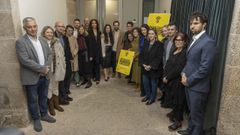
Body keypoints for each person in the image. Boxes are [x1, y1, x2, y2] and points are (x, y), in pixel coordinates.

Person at [178, 12, 217, 135]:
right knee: (192, 112)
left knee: (197, 116)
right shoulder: (194, 39)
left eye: (196, 23)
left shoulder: (208, 42)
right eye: (191, 24)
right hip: (188, 83)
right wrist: (184, 73)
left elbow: (205, 68)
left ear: (204, 25)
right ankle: (190, 130)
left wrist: (189, 80)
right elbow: (190, 62)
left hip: (198, 87)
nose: (192, 26)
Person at [15, 17, 55, 132]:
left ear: (37, 26)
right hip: (31, 77)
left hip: (45, 75)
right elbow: (25, 60)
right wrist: (42, 69)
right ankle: (36, 119)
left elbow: (50, 54)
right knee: (33, 99)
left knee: (43, 96)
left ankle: (44, 114)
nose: (33, 29)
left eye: (34, 26)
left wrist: (46, 68)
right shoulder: (21, 42)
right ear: (25, 28)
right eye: (29, 27)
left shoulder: (42, 39)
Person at [163, 32, 188, 131]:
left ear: (185, 42)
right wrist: (165, 74)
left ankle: (178, 122)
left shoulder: (184, 53)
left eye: (180, 40)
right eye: (176, 40)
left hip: (177, 81)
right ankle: (173, 113)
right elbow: (168, 63)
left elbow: (178, 69)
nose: (178, 42)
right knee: (173, 99)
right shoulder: (175, 50)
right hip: (170, 80)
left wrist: (167, 77)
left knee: (178, 101)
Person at [41, 26, 65, 116]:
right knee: (49, 88)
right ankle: (51, 106)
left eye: (51, 32)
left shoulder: (57, 42)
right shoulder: (41, 43)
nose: (50, 34)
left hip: (57, 69)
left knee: (56, 87)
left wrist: (63, 67)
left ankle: (56, 104)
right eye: (47, 32)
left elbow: (62, 56)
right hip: (48, 70)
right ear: (44, 33)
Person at [140, 29, 163, 105]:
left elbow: (158, 58)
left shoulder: (159, 44)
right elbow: (142, 55)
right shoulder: (146, 44)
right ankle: (147, 95)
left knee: (153, 84)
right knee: (145, 83)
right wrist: (143, 64)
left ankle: (152, 98)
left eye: (152, 34)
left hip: (154, 68)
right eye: (149, 34)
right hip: (144, 67)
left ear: (155, 35)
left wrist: (150, 66)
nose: (150, 35)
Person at [54, 21, 73, 105]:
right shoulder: (53, 37)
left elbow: (68, 49)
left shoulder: (64, 37)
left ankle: (65, 94)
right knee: (61, 80)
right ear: (55, 27)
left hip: (66, 60)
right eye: (59, 26)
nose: (61, 28)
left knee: (67, 77)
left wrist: (71, 59)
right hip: (59, 63)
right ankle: (61, 98)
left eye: (62, 26)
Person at [161, 23, 178, 108]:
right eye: (169, 29)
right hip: (166, 67)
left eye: (172, 29)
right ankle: (167, 102)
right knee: (166, 86)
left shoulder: (178, 42)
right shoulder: (166, 41)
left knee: (173, 88)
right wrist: (164, 64)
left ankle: (172, 106)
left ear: (176, 31)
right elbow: (164, 54)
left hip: (174, 69)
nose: (170, 31)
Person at [87, 19, 102, 84]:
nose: (94, 24)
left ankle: (98, 78)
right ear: (91, 24)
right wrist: (90, 54)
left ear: (97, 24)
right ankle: (94, 76)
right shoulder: (88, 32)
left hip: (98, 51)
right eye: (92, 23)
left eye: (95, 23)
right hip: (92, 51)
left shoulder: (99, 32)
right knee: (92, 65)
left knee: (97, 64)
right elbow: (89, 44)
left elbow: (101, 43)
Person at [139, 24, 150, 97]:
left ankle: (148, 93)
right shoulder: (142, 38)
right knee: (142, 77)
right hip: (142, 58)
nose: (143, 31)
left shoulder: (150, 38)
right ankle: (143, 91)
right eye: (142, 30)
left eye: (144, 30)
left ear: (147, 30)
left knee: (148, 78)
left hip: (148, 60)